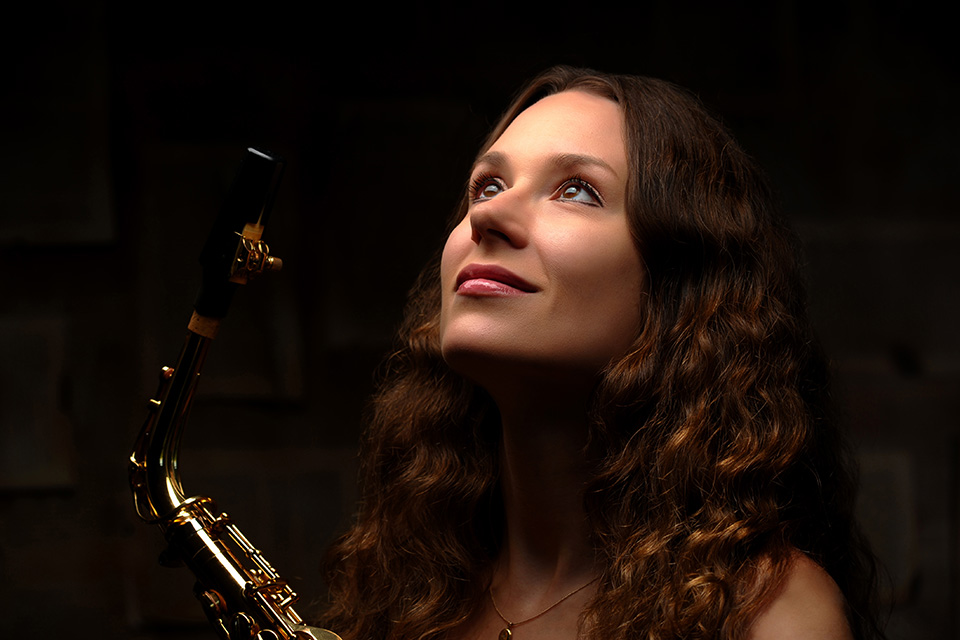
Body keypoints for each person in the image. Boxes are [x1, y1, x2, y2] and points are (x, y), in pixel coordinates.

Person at [318, 66, 883, 640]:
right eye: (486, 186)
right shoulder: (408, 595)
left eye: (576, 191)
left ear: (679, 286)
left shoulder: (768, 613)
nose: (487, 215)